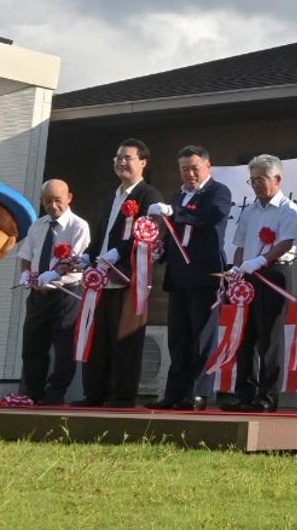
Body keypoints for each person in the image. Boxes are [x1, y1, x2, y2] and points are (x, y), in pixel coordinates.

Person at [76, 138, 165, 408]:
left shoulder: (149, 196)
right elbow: (101, 234)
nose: (121, 162)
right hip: (101, 278)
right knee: (98, 337)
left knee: (125, 339)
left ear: (143, 163)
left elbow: (149, 233)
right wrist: (87, 256)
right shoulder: (110, 196)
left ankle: (122, 396)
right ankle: (95, 393)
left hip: (129, 279)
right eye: (118, 157)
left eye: (128, 157)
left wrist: (118, 253)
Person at [149, 145, 233, 411]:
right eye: (184, 169)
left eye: (194, 168)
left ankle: (198, 393)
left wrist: (174, 212)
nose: (189, 174)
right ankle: (175, 392)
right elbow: (174, 232)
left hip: (205, 275)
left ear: (208, 166)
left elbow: (210, 217)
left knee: (202, 337)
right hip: (178, 276)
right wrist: (160, 250)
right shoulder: (179, 195)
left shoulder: (218, 191)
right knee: (178, 338)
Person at [224, 154, 297, 412]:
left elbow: (286, 242)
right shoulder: (249, 210)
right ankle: (245, 394)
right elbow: (240, 245)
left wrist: (261, 260)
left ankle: (267, 397)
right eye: (253, 180)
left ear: (277, 179)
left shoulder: (288, 209)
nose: (256, 184)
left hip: (274, 274)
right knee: (245, 337)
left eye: (262, 179)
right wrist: (237, 268)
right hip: (248, 276)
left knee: (270, 338)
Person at [15, 179, 90, 404]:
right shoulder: (38, 225)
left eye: (58, 200)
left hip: (66, 292)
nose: (53, 205)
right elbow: (26, 255)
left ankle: (55, 395)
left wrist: (54, 275)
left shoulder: (78, 226)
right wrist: (26, 274)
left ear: (69, 198)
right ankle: (32, 393)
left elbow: (76, 260)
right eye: (47, 201)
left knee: (64, 348)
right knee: (33, 345)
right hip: (38, 294)